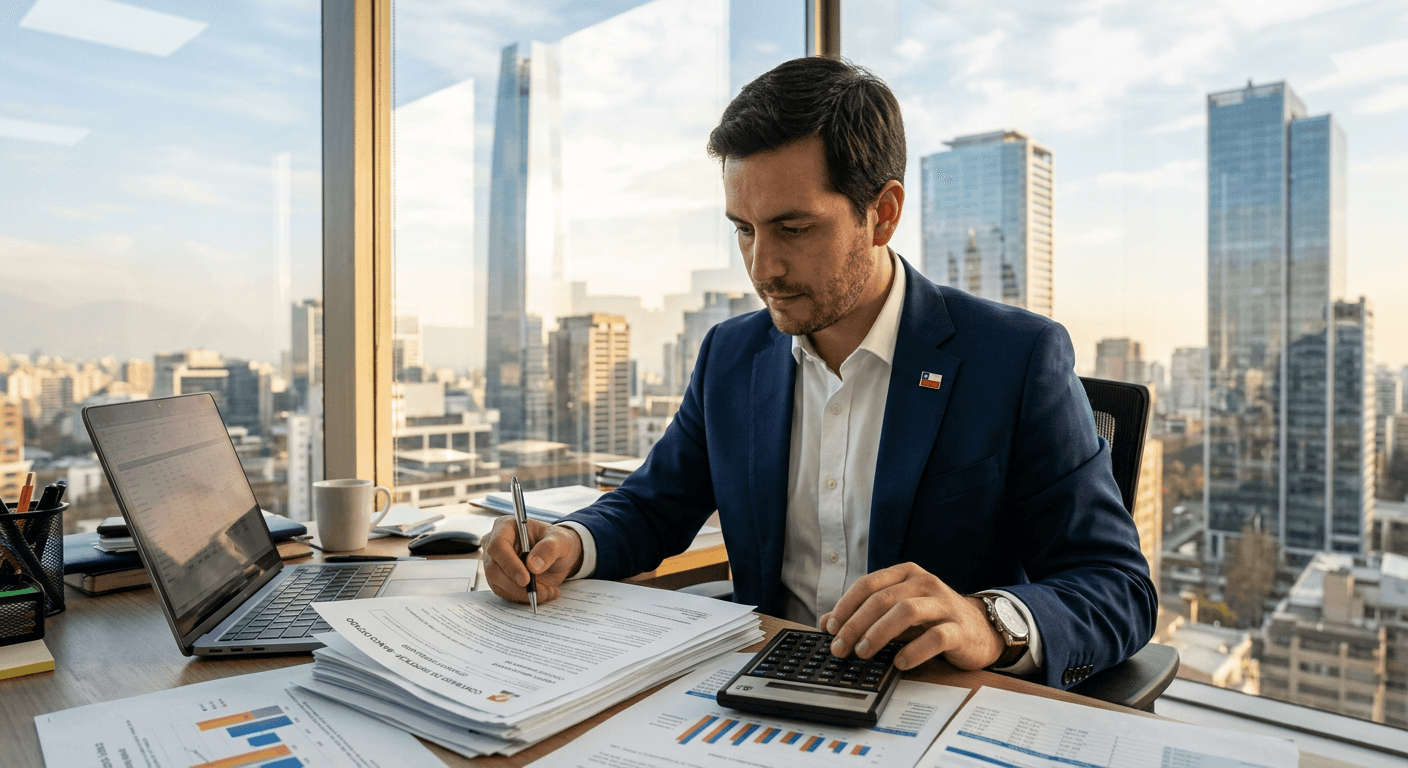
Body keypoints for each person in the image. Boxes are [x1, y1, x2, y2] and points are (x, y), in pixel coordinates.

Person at [482, 56, 1156, 690]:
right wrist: (569, 541)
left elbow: (1116, 586)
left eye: (794, 229)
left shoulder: (1015, 357)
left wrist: (988, 621)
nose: (762, 267)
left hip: (929, 707)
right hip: (760, 693)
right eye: (743, 229)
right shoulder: (730, 355)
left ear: (882, 213)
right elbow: (655, 505)